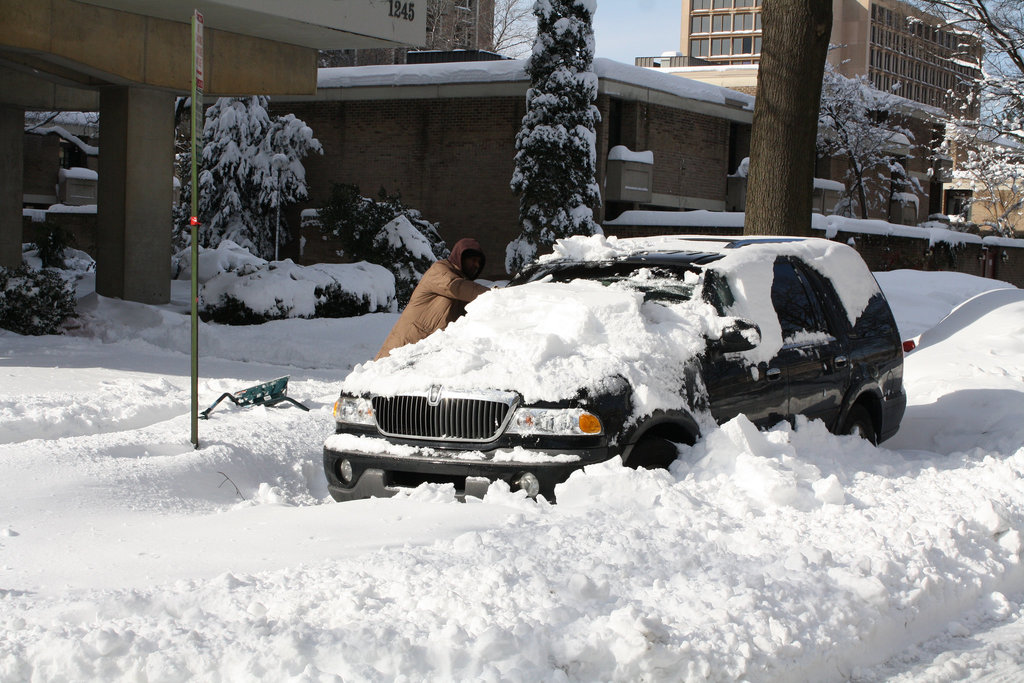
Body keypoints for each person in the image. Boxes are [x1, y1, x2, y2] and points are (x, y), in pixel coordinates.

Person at [374, 237, 489, 360]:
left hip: (417, 358)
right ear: (461, 257)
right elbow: (455, 286)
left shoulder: (465, 291)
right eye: (473, 260)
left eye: (479, 262)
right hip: (396, 354)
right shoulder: (440, 271)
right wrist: (496, 295)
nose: (477, 265)